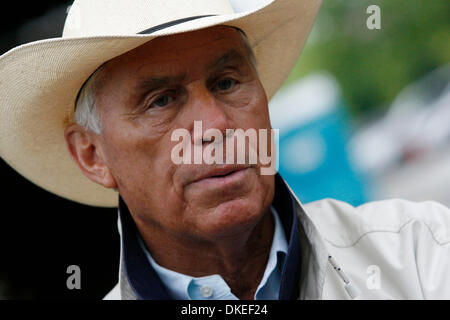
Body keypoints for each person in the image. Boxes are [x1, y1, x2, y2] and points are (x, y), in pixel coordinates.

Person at [0, 0, 449, 300]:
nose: (215, 126)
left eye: (227, 83)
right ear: (92, 156)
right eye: (161, 101)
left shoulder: (421, 251)